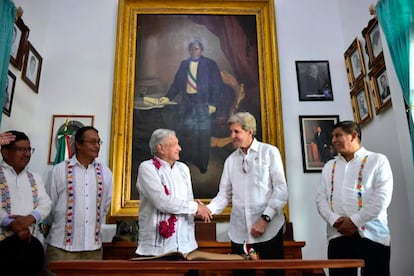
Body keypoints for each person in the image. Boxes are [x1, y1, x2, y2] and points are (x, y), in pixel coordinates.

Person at [207, 112, 288, 276]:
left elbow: (281, 189)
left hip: (269, 230)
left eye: (236, 132)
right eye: (231, 132)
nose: (232, 136)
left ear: (250, 131)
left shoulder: (269, 152)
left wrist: (265, 219)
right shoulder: (230, 160)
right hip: (240, 233)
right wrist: (208, 210)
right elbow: (224, 194)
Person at [316, 121, 393, 276]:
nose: (333, 140)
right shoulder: (329, 166)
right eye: (333, 136)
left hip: (372, 234)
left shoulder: (378, 160)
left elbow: (382, 198)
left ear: (353, 136)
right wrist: (336, 220)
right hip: (338, 234)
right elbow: (321, 199)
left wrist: (354, 222)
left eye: (338, 135)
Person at [150, 40, 224, 174]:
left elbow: (217, 86)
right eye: (191, 49)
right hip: (187, 103)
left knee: (203, 134)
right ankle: (181, 162)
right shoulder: (184, 64)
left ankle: (203, 165)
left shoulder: (210, 65)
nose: (194, 52)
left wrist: (213, 104)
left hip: (203, 103)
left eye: (196, 49)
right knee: (183, 133)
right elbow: (176, 84)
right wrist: (168, 97)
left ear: (201, 50)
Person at [135, 129, 212, 258]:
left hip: (187, 246)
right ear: (161, 148)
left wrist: (198, 208)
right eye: (175, 144)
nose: (180, 148)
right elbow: (162, 201)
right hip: (157, 250)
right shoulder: (147, 168)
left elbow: (188, 200)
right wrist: (195, 207)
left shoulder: (183, 169)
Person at [46, 127, 112, 271]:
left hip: (92, 250)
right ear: (78, 144)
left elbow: (105, 206)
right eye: (92, 142)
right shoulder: (59, 170)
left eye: (98, 142)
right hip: (61, 248)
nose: (97, 146)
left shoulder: (105, 173)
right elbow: (50, 205)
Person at [0, 130, 52, 275]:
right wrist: (11, 223)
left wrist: (29, 219)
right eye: (21, 149)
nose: (27, 154)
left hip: (29, 245)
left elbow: (45, 203)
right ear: (5, 152)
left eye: (29, 149)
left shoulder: (34, 177)